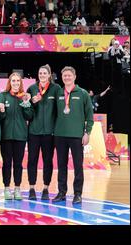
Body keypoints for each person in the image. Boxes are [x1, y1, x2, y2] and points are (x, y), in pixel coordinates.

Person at [52, 66, 93, 205]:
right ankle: (62, 192)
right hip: (60, 135)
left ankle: (77, 194)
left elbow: (90, 116)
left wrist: (87, 133)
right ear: (62, 78)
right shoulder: (58, 93)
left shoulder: (83, 93)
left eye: (69, 75)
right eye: (64, 76)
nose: (67, 77)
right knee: (61, 165)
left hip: (76, 136)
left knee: (77, 166)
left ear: (74, 76)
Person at [26, 64, 61, 200]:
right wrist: (32, 102)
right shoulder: (32, 88)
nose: (42, 75)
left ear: (49, 75)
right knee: (32, 160)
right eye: (40, 73)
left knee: (48, 161)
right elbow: (27, 110)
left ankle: (46, 187)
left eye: (44, 73)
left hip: (49, 133)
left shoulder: (56, 89)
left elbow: (59, 110)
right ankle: (31, 188)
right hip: (34, 132)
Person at [0, 73, 33, 200]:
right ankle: (7, 188)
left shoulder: (24, 97)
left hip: (20, 136)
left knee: (18, 164)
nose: (15, 83)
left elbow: (29, 116)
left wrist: (26, 103)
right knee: (7, 163)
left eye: (17, 81)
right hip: (6, 136)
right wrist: (1, 110)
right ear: (9, 82)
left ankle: (17, 189)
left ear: (20, 83)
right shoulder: (3, 96)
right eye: (13, 80)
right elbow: (1, 117)